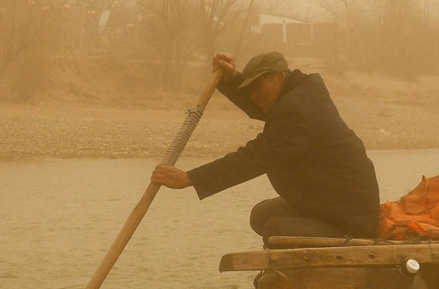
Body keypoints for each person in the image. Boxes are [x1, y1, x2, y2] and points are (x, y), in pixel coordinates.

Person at [149, 51, 381, 240]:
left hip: (349, 218)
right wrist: (230, 79)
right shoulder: (299, 94)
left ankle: (303, 279)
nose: (254, 95)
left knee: (275, 231)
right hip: (327, 205)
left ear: (279, 76)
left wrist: (191, 178)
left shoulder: (298, 112)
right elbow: (261, 103)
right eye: (249, 90)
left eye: (258, 86)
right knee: (261, 216)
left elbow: (254, 158)